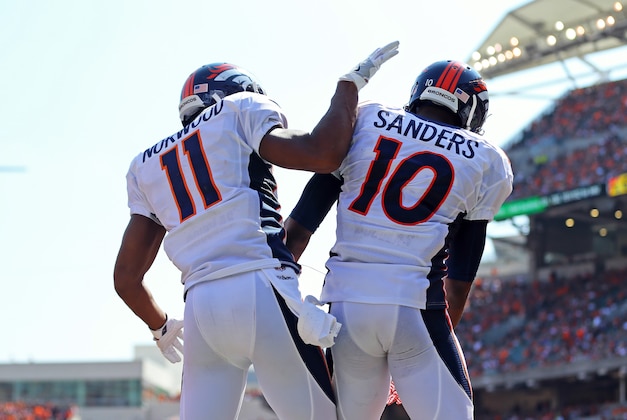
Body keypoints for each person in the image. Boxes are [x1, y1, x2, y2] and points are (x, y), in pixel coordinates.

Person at [112, 41, 399, 420]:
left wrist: (161, 327)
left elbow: (126, 279)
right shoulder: (239, 109)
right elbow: (323, 153)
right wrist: (347, 88)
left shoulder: (144, 165)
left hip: (200, 310)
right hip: (263, 290)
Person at [285, 60, 513, 420]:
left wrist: (284, 303)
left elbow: (296, 233)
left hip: (346, 309)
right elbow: (456, 288)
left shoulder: (367, 121)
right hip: (415, 308)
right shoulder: (486, 160)